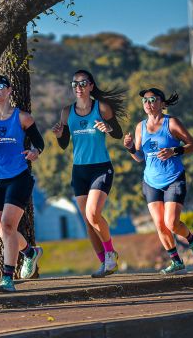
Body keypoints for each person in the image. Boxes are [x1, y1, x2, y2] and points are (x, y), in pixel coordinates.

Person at [0, 75, 45, 293]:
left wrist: (34, 152)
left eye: (0, 87)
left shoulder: (22, 118)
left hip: (18, 177)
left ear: (9, 91)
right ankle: (29, 253)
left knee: (8, 226)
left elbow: (38, 143)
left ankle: (7, 277)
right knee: (2, 229)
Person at [123, 87, 193, 275]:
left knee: (171, 223)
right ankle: (176, 262)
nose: (148, 104)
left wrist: (174, 151)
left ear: (162, 103)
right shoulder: (140, 127)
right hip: (150, 181)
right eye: (145, 100)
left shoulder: (172, 123)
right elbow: (139, 157)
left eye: (152, 100)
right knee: (160, 224)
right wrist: (129, 148)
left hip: (173, 178)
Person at [52, 70, 125, 278]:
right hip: (79, 170)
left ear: (91, 86)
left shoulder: (101, 107)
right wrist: (59, 136)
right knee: (87, 220)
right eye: (75, 83)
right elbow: (65, 144)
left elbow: (118, 134)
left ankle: (111, 253)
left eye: (83, 83)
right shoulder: (67, 112)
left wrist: (107, 127)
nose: (79, 87)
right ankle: (105, 263)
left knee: (93, 214)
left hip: (101, 167)